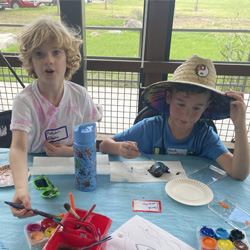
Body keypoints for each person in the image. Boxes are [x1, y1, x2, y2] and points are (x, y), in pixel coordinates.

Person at [99, 55, 250, 181]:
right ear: (169, 97)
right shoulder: (149, 128)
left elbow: (239, 174)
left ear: (206, 106)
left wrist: (240, 127)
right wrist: (120, 148)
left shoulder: (205, 137)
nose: (186, 114)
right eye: (181, 104)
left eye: (196, 108)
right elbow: (104, 145)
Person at [9, 17, 101, 218]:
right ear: (31, 60)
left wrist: (69, 151)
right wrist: (22, 189)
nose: (48, 60)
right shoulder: (24, 101)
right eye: (39, 53)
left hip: (72, 166)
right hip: (34, 169)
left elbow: (90, 138)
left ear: (68, 57)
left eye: (56, 52)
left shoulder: (80, 95)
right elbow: (18, 148)